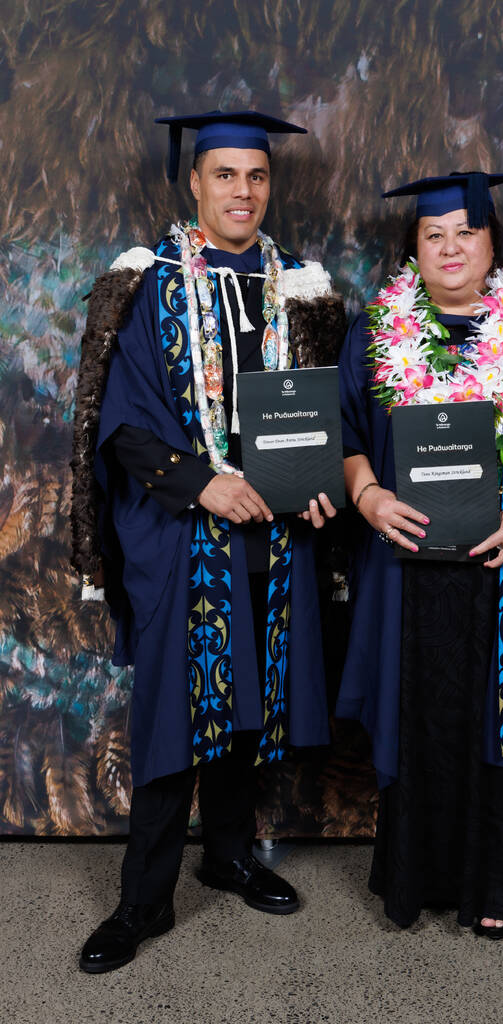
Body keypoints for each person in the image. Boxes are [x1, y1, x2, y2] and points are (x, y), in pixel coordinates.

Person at [71, 110, 346, 973]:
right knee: (171, 711)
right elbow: (118, 425)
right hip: (181, 533)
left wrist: (320, 483)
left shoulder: (299, 285)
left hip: (274, 536)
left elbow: (327, 413)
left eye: (256, 176)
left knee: (248, 701)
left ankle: (228, 855)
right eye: (224, 175)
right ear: (194, 182)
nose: (242, 191)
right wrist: (206, 484)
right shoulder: (146, 282)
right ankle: (141, 903)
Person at [336, 171, 503, 937]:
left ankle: (497, 883)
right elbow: (348, 438)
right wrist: (366, 496)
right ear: (413, 248)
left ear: (493, 240)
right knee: (416, 704)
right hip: (409, 564)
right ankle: (412, 878)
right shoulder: (372, 334)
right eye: (433, 234)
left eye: (465, 230)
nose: (450, 246)